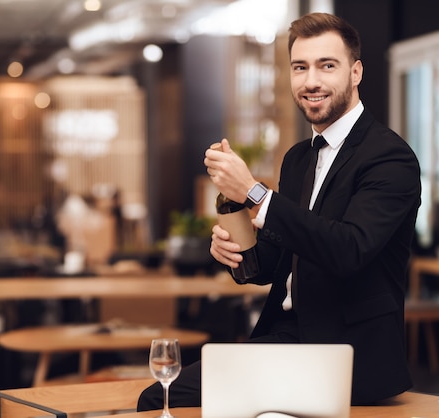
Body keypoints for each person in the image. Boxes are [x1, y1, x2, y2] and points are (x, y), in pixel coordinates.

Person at [137, 11, 420, 409]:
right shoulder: (299, 158)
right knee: (161, 396)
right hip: (288, 340)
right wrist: (237, 251)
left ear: (355, 72)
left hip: (347, 355)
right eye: (300, 67)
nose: (311, 81)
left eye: (327, 66)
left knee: (165, 400)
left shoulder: (390, 157)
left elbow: (349, 250)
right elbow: (275, 264)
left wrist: (254, 192)